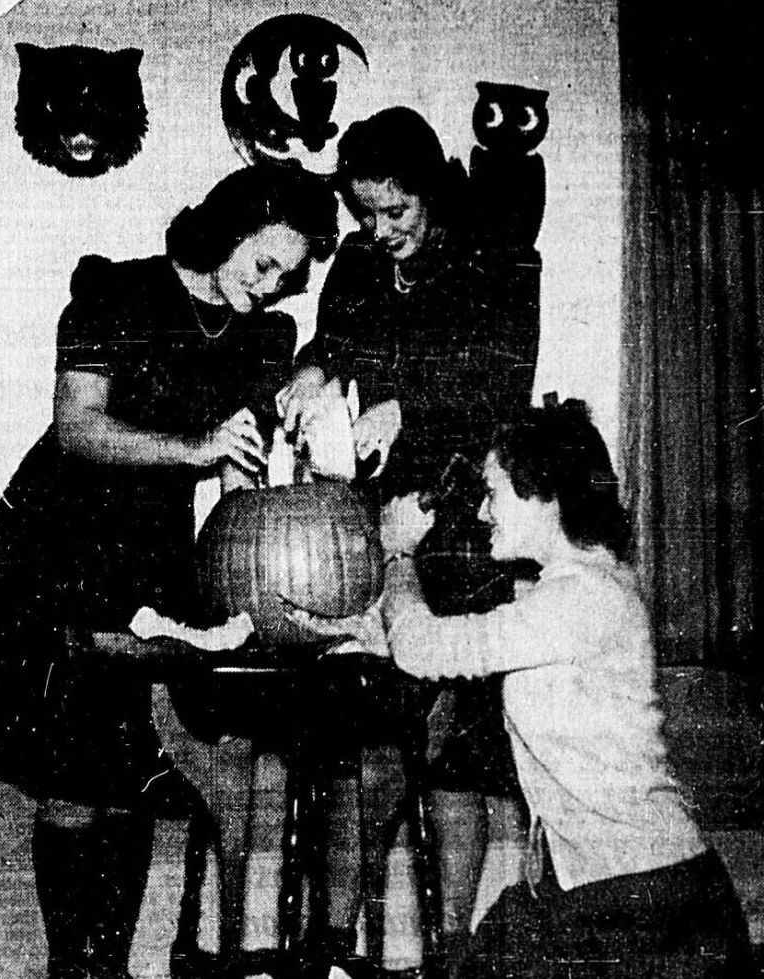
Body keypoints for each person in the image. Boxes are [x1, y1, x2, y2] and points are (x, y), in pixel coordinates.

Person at [0, 165, 338, 979]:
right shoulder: (116, 292)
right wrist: (192, 450)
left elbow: (238, 469)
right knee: (72, 770)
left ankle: (112, 966)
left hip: (148, 549)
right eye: (262, 265)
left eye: (287, 277)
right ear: (229, 226)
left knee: (126, 764)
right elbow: (76, 428)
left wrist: (257, 561)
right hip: (60, 541)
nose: (270, 288)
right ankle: (71, 967)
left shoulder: (260, 337)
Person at [294, 398, 756, 978]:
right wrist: (353, 626)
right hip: (588, 889)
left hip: (652, 905)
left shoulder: (584, 598)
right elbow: (455, 637)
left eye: (494, 493)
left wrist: (398, 551)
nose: (485, 512)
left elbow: (426, 649)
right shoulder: (565, 590)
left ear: (541, 497)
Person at [277, 106, 540, 970]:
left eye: (396, 211)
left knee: (459, 750)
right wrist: (314, 367)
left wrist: (411, 406)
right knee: (366, 741)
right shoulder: (356, 263)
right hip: (383, 519)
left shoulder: (493, 254)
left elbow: (503, 382)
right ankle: (333, 938)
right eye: (364, 212)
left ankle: (451, 950)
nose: (378, 229)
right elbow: (336, 338)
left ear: (429, 191)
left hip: (468, 514)